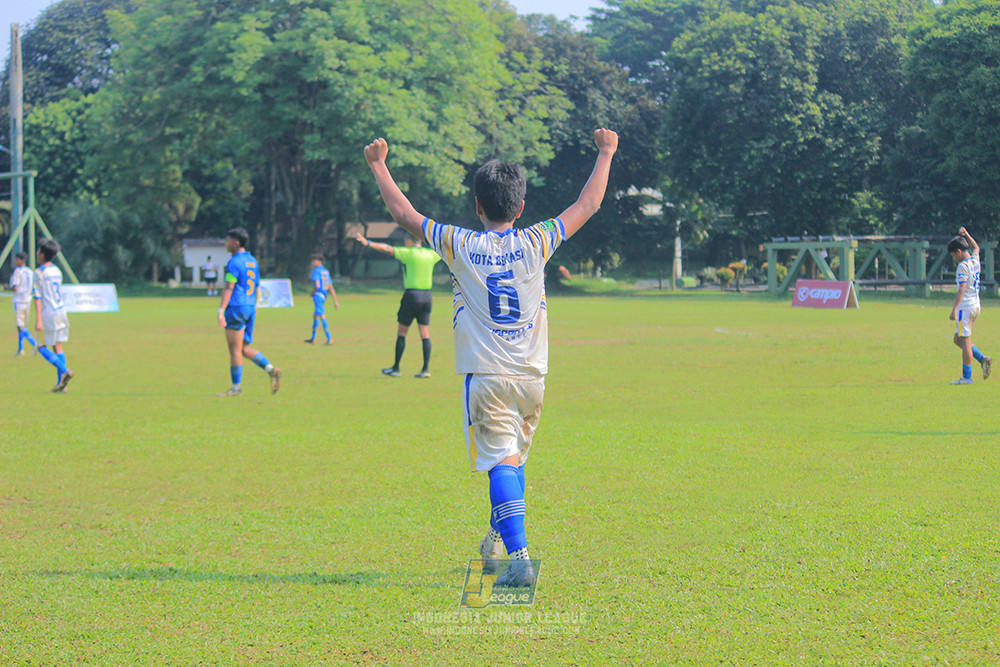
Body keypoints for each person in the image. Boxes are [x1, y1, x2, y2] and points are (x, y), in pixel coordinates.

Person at [363, 128, 618, 586]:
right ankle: (497, 540)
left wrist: (379, 164)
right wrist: (605, 152)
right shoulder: (538, 240)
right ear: (520, 209)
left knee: (501, 462)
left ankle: (519, 559)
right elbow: (588, 206)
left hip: (487, 377)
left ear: (477, 207)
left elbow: (404, 213)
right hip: (533, 377)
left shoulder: (459, 243)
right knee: (513, 461)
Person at [354, 231, 441, 378]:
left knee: (402, 333)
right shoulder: (431, 255)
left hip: (412, 295)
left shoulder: (408, 253)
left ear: (409, 240)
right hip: (427, 296)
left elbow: (387, 249)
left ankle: (396, 368)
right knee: (425, 334)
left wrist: (368, 243)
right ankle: (425, 370)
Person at [217, 227, 282, 396]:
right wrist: (255, 306)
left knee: (235, 351)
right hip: (250, 307)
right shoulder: (253, 261)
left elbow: (229, 286)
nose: (226, 243)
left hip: (237, 307)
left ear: (236, 243)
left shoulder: (234, 262)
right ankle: (271, 369)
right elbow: (257, 286)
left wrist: (221, 309)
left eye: (228, 240)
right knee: (244, 348)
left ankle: (236, 388)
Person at [948, 227, 991, 384]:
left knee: (965, 342)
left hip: (965, 307)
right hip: (976, 305)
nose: (954, 259)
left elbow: (962, 289)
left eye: (953, 255)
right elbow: (976, 247)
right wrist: (966, 235)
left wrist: (954, 309)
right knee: (957, 339)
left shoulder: (962, 267)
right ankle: (982, 358)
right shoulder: (975, 260)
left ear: (958, 251)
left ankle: (967, 378)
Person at [32, 239, 74, 392]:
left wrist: (38, 320)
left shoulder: (38, 272)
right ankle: (61, 385)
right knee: (58, 346)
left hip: (48, 312)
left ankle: (65, 370)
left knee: (41, 346)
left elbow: (37, 296)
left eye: (38, 251)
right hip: (61, 311)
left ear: (42, 255)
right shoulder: (57, 270)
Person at [5, 251, 37, 356]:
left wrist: (6, 287)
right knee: (21, 325)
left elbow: (15, 287)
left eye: (16, 259)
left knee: (20, 326)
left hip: (19, 300)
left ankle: (34, 344)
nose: (15, 261)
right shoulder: (30, 271)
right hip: (27, 299)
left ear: (21, 260)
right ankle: (20, 349)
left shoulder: (18, 271)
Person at [304, 253, 339, 344]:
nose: (312, 263)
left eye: (313, 261)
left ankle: (329, 339)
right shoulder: (326, 271)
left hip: (318, 295)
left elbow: (317, 285)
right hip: (324, 295)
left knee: (322, 315)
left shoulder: (316, 270)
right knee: (315, 315)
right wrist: (335, 301)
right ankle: (313, 338)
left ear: (318, 261)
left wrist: (312, 293)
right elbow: (331, 286)